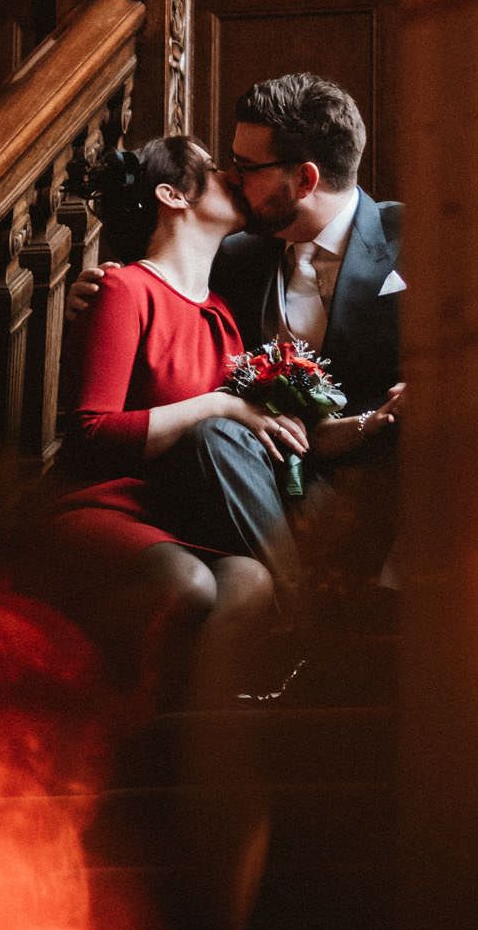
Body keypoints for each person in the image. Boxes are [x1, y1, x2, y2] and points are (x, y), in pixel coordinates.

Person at [70, 75, 404, 589]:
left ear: (306, 180)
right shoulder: (233, 259)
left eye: (245, 168)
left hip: (379, 473)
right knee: (217, 433)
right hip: (250, 478)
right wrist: (95, 291)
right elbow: (167, 282)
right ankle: (298, 625)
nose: (232, 177)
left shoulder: (416, 238)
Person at [47, 132, 307, 701]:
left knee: (250, 580)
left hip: (177, 515)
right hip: (106, 504)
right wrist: (217, 404)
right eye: (214, 169)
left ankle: (197, 750)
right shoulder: (123, 288)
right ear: (172, 195)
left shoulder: (223, 316)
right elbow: (89, 435)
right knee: (189, 586)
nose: (233, 176)